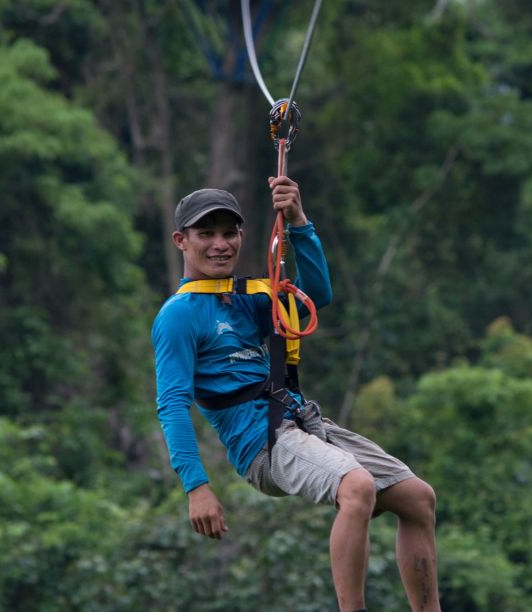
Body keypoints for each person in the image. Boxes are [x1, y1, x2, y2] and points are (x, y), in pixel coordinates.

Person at [151, 176, 441, 611]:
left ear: (241, 236)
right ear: (181, 240)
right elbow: (172, 405)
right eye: (205, 234)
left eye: (228, 233)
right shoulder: (179, 316)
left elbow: (317, 295)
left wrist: (300, 221)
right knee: (356, 486)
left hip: (302, 422)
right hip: (261, 446)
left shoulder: (254, 295)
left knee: (418, 498)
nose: (220, 244)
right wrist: (197, 487)